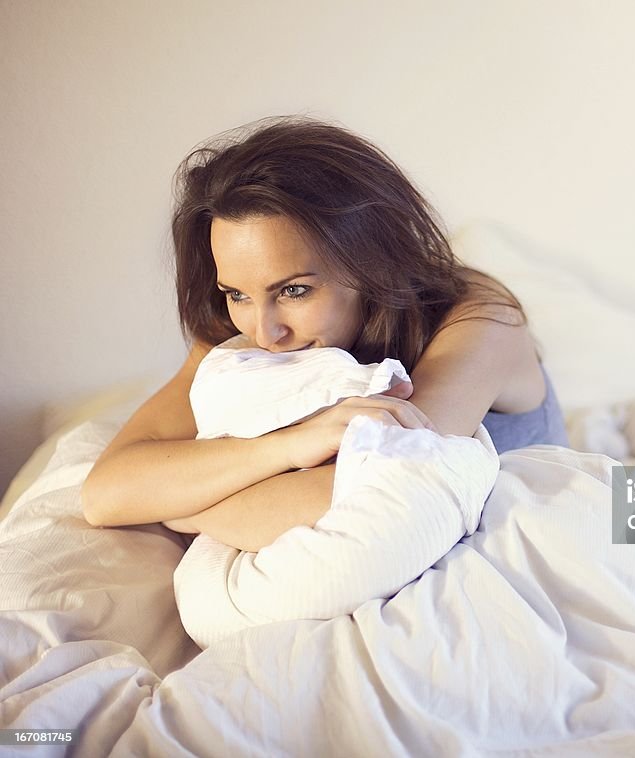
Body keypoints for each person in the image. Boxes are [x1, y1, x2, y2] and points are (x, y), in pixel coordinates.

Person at [82, 116, 568, 552]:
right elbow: (108, 494)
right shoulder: (245, 333)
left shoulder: (480, 317)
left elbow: (378, 492)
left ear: (370, 264)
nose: (266, 333)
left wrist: (182, 508)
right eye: (237, 293)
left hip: (575, 510)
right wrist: (288, 446)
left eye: (293, 290)